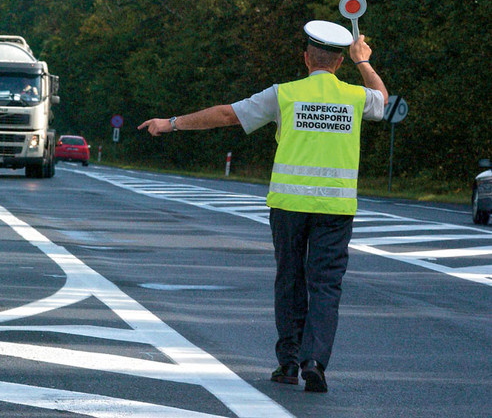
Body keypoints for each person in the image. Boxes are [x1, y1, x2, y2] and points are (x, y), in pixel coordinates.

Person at [138, 20, 388, 392]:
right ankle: (315, 360)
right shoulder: (354, 96)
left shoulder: (284, 94)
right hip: (335, 209)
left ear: (306, 58)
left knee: (289, 280)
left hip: (288, 206)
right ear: (339, 63)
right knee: (326, 286)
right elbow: (382, 101)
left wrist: (170, 123)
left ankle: (288, 364)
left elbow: (226, 115)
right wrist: (364, 61)